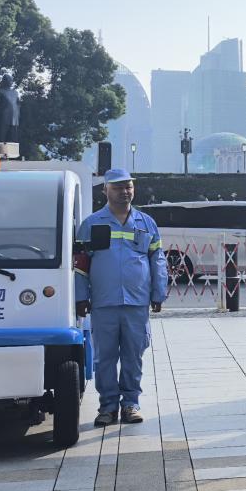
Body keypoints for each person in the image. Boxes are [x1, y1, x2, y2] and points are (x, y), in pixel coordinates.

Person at [75, 168, 168, 426]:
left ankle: (130, 404)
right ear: (105, 190)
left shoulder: (146, 223)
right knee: (104, 357)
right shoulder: (92, 224)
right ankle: (107, 407)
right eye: (117, 187)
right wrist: (80, 296)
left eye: (128, 186)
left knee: (133, 355)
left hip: (137, 302)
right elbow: (80, 264)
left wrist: (158, 292)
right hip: (103, 302)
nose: (124, 192)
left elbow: (157, 259)